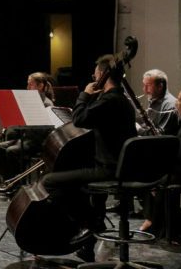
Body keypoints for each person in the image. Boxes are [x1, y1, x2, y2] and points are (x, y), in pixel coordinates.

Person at [40, 55, 136, 262]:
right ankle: (88, 242)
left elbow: (80, 118)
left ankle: (94, 224)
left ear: (101, 75)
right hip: (122, 166)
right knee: (77, 180)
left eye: (96, 73)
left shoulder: (109, 101)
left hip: (109, 169)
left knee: (50, 182)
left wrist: (84, 94)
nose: (94, 76)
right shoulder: (124, 101)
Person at [139, 85, 181, 243]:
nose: (176, 103)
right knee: (158, 179)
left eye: (179, 100)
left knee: (149, 180)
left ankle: (156, 222)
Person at [0, 72, 55, 184]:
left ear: (40, 86)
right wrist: (12, 125)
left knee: (12, 151)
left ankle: (18, 184)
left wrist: (21, 127)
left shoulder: (47, 104)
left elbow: (43, 131)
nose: (27, 88)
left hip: (38, 142)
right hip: (26, 138)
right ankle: (9, 181)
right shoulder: (29, 101)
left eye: (30, 85)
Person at [137, 69, 180, 135]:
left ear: (160, 86)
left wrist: (138, 129)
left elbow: (159, 136)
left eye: (148, 85)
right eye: (144, 85)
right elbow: (150, 124)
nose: (144, 89)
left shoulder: (170, 106)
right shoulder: (155, 100)